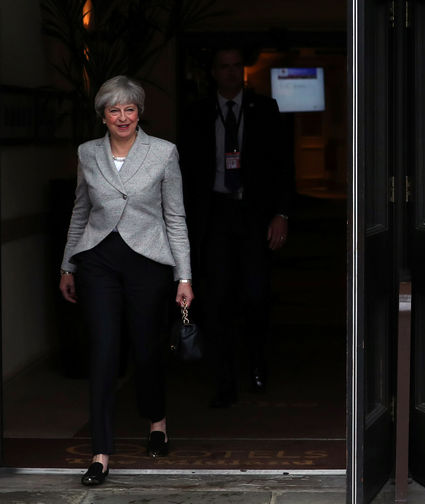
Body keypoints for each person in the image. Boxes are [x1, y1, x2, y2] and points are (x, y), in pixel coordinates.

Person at [59, 75, 194, 486]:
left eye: (129, 109)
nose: (123, 117)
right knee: (102, 350)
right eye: (114, 110)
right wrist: (68, 264)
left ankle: (157, 422)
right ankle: (100, 452)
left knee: (146, 348)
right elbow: (80, 211)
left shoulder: (163, 152)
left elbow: (175, 216)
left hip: (148, 262)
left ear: (139, 113)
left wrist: (183, 275)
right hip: (98, 261)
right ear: (103, 115)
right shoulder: (87, 153)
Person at [179, 47, 294, 408]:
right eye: (224, 67)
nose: (231, 73)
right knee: (217, 301)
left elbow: (283, 165)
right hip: (214, 215)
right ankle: (224, 380)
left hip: (254, 214)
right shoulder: (197, 113)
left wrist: (282, 214)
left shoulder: (266, 110)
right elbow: (184, 172)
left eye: (236, 67)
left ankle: (257, 363)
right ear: (213, 72)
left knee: (256, 295)